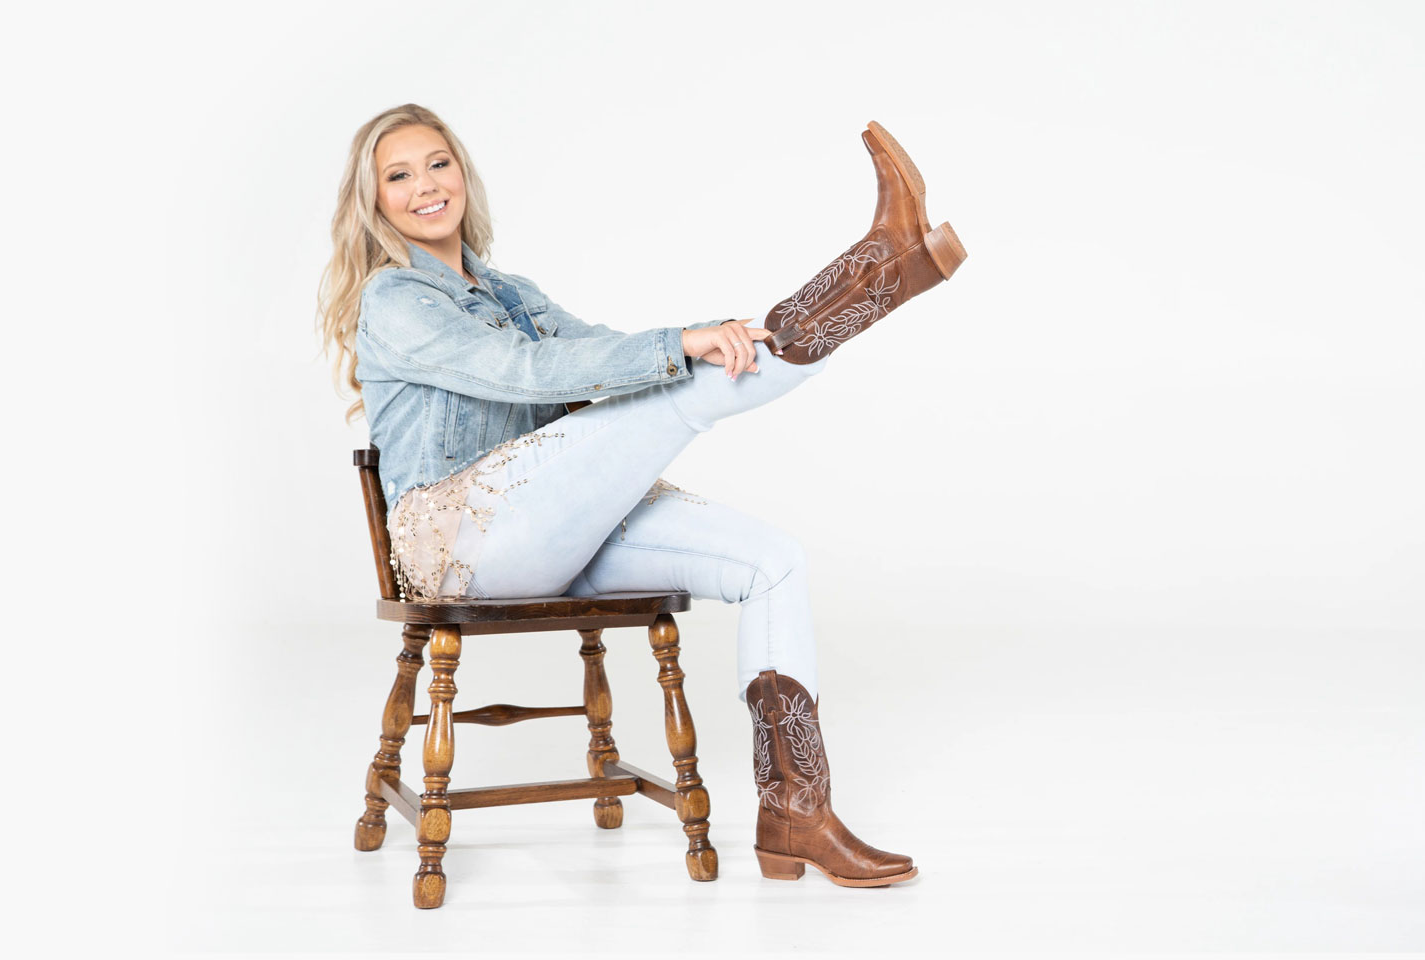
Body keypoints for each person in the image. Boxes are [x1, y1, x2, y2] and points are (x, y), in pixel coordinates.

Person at [316, 103, 967, 888]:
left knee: (773, 562)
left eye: (438, 163)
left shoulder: (509, 291)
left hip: (554, 531)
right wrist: (680, 346)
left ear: (462, 173)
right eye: (399, 174)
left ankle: (796, 813)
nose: (426, 185)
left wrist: (703, 335)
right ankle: (886, 269)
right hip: (462, 545)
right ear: (374, 199)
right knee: (672, 391)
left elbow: (592, 353)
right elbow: (522, 373)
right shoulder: (395, 301)